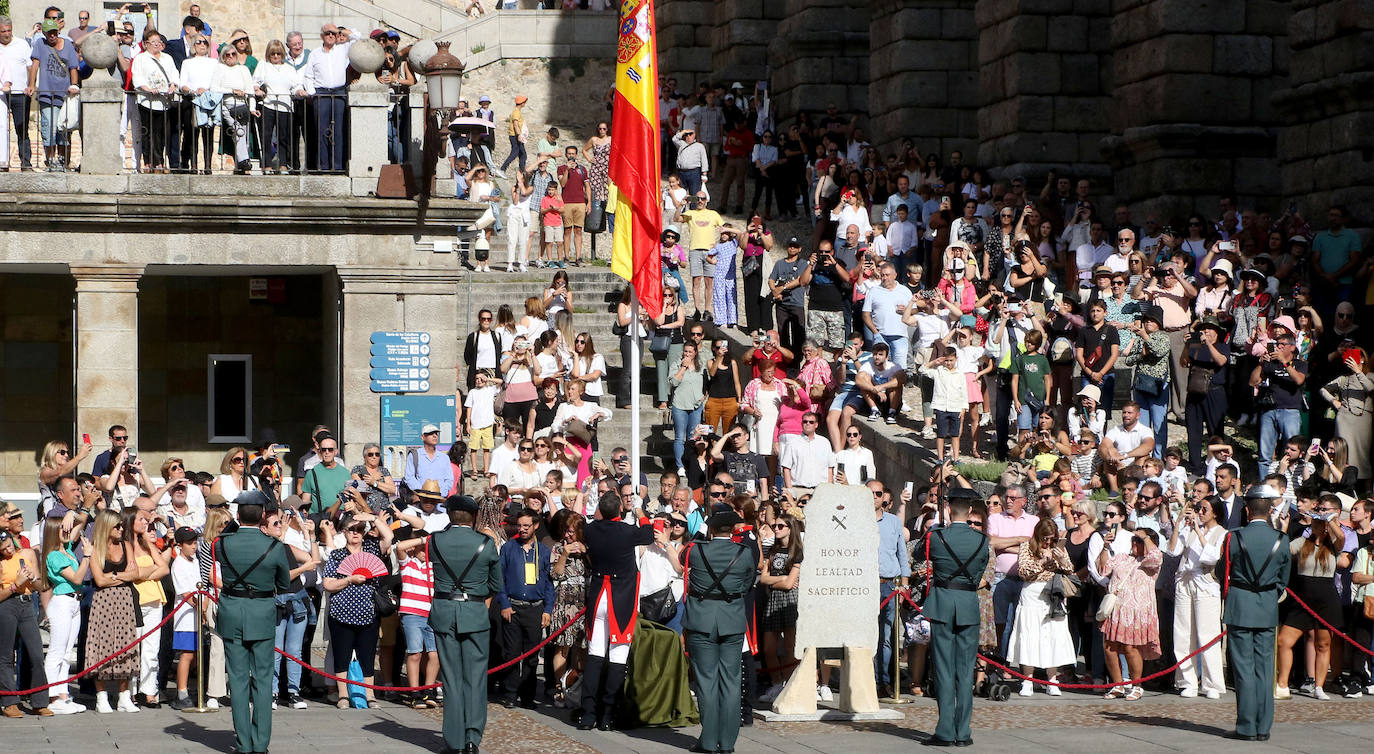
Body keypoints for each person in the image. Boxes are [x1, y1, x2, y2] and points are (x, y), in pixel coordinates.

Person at [214, 492, 291, 753]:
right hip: (261, 612)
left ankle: (243, 743)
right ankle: (260, 743)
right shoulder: (274, 545)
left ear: (237, 515)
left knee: (237, 680)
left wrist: (233, 525)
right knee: (262, 678)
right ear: (261, 515)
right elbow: (283, 584)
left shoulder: (222, 543)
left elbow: (221, 541)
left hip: (232, 610)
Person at [428, 495, 502, 754]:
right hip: (474, 611)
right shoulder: (485, 542)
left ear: (450, 515)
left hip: (445, 610)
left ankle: (455, 741)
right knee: (476, 678)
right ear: (473, 517)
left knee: (451, 677)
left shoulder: (435, 540)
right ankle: (472, 739)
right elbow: (497, 585)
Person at [578, 492, 656, 731]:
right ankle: (607, 715)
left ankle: (589, 713)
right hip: (620, 598)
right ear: (620, 509)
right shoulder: (626, 530)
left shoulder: (590, 530)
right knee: (617, 657)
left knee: (595, 656)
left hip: (599, 593)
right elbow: (648, 534)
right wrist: (641, 513)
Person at [682, 509, 758, 754]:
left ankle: (708, 740)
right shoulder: (744, 553)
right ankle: (727, 743)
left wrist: (702, 532)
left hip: (702, 620)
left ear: (711, 529)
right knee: (731, 681)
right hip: (732, 619)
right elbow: (746, 584)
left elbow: (685, 552)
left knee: (706, 682)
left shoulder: (697, 549)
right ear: (734, 530)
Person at [1223, 486, 1290, 741]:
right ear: (1270, 510)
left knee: (1243, 668)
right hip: (1267, 606)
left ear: (1248, 509)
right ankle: (1263, 727)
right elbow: (1283, 579)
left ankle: (1247, 726)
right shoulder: (1281, 539)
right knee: (1265, 668)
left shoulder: (1234, 537)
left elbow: (1222, 570)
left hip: (1240, 604)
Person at [924, 487, 989, 744]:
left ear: (949, 508)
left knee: (943, 668)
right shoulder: (982, 540)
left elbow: (922, 554)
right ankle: (963, 732)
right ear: (971, 510)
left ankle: (944, 730)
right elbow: (980, 570)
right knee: (965, 669)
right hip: (968, 603)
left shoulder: (937, 536)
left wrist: (938, 525)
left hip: (942, 603)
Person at [1006, 517, 1076, 696]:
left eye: (1051, 539)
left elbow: (1069, 570)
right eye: (1045, 538)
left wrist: (1060, 559)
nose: (1048, 542)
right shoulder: (1026, 547)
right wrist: (1042, 562)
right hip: (1032, 595)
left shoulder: (1058, 547)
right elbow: (1023, 571)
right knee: (1030, 635)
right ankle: (1028, 680)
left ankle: (1052, 680)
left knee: (1053, 635)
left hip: (1053, 594)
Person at [1167, 496, 1227, 698]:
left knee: (1207, 633)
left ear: (1215, 513)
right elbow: (1173, 550)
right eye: (1199, 509)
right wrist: (1178, 524)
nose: (1200, 513)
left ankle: (1212, 684)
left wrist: (1198, 531)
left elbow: (1212, 557)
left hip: (1206, 584)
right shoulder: (1189, 529)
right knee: (1182, 633)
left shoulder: (1222, 533)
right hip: (1185, 582)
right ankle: (1187, 681)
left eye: (1204, 510)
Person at [494, 508, 554, 709]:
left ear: (536, 526)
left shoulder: (543, 551)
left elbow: (548, 583)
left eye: (527, 526)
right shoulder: (509, 548)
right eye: (520, 526)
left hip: (535, 608)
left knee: (531, 656)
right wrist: (504, 603)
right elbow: (499, 579)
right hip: (513, 607)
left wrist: (548, 609)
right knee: (511, 654)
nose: (522, 529)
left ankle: (528, 695)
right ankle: (510, 693)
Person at [1097, 526, 1164, 701]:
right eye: (1133, 540)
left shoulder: (1150, 562)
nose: (1135, 543)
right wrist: (1105, 547)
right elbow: (1102, 569)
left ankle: (1137, 685)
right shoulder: (1122, 558)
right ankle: (1117, 684)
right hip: (1116, 611)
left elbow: (1156, 557)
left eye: (1139, 541)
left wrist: (1145, 537)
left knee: (1130, 648)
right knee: (1110, 648)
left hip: (1137, 613)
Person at [39, 516, 89, 714]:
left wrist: (71, 514)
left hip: (74, 602)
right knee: (57, 651)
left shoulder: (66, 551)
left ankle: (63, 694)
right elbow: (77, 577)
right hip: (62, 602)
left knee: (67, 652)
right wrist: (87, 557)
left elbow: (80, 521)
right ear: (53, 531)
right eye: (62, 529)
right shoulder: (53, 555)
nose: (67, 531)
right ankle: (52, 697)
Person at [0, 524, 49, 717]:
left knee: (36, 654)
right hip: (7, 606)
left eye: (8, 545)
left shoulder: (27, 554)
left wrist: (32, 577)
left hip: (27, 604)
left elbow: (40, 585)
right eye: (2, 549)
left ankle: (39, 701)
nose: (7, 550)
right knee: (5, 656)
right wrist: (14, 585)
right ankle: (10, 701)